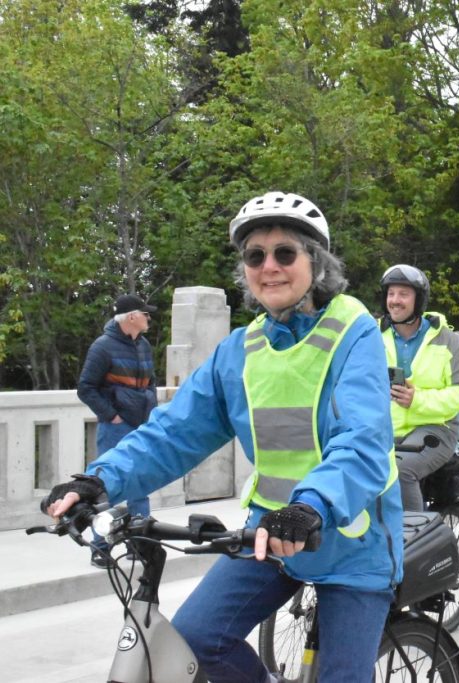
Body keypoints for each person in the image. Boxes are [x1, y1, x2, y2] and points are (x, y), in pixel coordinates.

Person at [42, 191, 402, 682]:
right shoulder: (240, 349)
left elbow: (362, 440)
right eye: (255, 255)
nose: (268, 266)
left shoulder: (353, 331)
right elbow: (175, 432)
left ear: (316, 263)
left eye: (284, 253)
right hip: (268, 540)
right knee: (193, 641)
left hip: (352, 545)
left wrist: (310, 505)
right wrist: (99, 481)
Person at [379, 264, 459, 512]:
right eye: (391, 294)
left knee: (401, 471)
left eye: (403, 294)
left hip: (436, 429)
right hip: (385, 429)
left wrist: (416, 400)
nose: (395, 300)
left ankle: (414, 542)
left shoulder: (447, 339)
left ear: (418, 299)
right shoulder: (373, 336)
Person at [76, 293, 159, 568]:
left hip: (141, 423)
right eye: (145, 314)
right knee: (108, 485)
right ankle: (100, 548)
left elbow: (150, 382)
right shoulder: (103, 347)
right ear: (132, 317)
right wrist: (110, 416)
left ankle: (140, 544)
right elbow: (85, 388)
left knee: (140, 482)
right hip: (115, 426)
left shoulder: (143, 345)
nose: (149, 318)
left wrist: (151, 412)